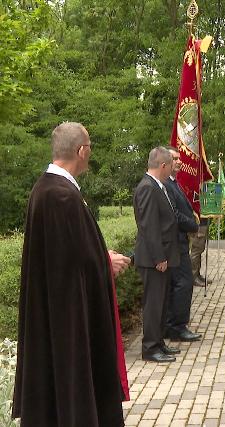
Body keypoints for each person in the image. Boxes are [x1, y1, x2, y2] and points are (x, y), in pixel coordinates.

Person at [13, 122, 130, 426]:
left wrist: (101, 257)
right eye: (89, 146)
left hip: (59, 313)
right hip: (67, 321)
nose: (90, 153)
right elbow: (68, 264)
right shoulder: (60, 196)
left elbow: (65, 254)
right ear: (81, 151)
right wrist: (106, 264)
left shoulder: (49, 189)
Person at [133, 147, 180, 363]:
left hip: (162, 256)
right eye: (171, 164)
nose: (173, 167)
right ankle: (150, 347)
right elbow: (149, 226)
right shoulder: (147, 188)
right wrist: (159, 257)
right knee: (153, 304)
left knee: (160, 303)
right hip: (154, 259)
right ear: (163, 166)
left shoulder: (157, 186)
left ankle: (159, 341)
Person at [164, 147, 202, 342]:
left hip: (179, 242)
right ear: (165, 161)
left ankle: (174, 325)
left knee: (180, 284)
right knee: (183, 284)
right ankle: (177, 327)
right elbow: (174, 214)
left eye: (179, 159)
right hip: (175, 243)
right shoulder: (166, 185)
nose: (180, 162)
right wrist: (192, 224)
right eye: (175, 159)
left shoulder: (173, 183)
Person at [190, 216, 212, 286]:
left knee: (200, 250)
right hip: (197, 223)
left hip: (203, 221)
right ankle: (193, 276)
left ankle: (197, 274)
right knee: (196, 251)